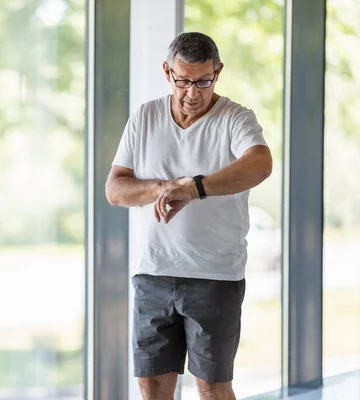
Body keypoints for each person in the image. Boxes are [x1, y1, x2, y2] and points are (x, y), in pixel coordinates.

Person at [105, 32, 272, 400]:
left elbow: (260, 164)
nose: (193, 93)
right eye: (183, 81)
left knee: (212, 388)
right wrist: (165, 188)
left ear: (218, 72)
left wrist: (192, 189)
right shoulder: (146, 116)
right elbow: (116, 190)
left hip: (214, 276)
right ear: (167, 72)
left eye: (203, 81)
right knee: (151, 386)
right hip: (153, 273)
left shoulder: (235, 118)